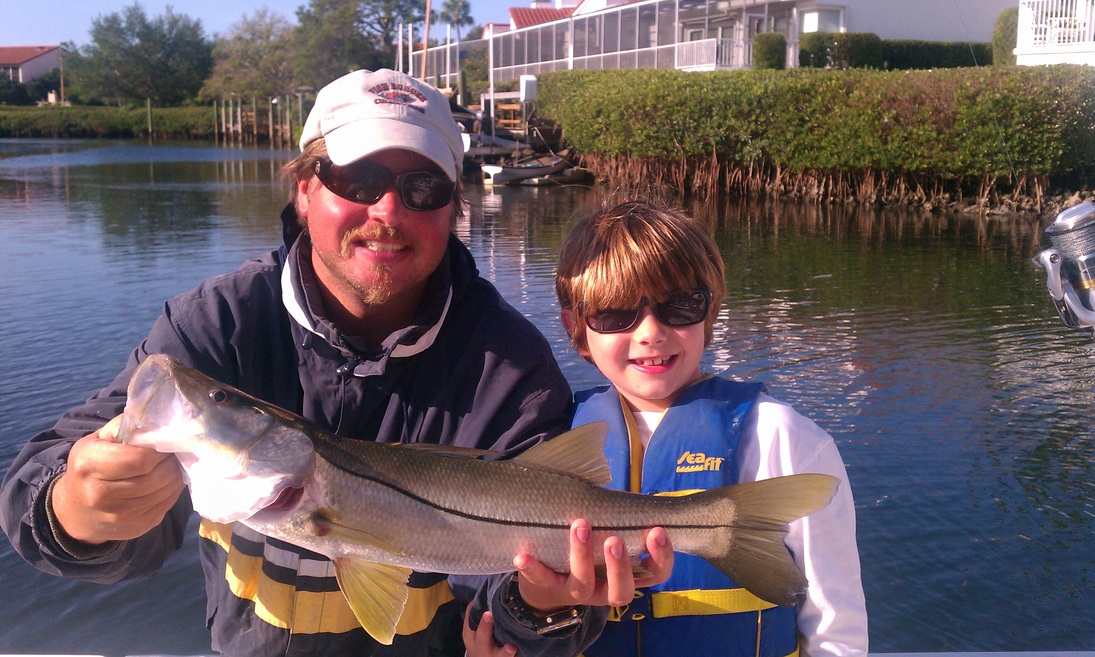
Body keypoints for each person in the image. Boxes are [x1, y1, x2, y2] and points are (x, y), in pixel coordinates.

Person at [0, 69, 672, 657]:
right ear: (303, 189)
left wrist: (544, 607)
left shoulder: (510, 366)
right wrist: (76, 509)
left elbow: (512, 618)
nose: (387, 210)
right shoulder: (220, 326)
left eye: (422, 188)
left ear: (454, 208)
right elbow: (45, 480)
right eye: (358, 178)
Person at [555, 200, 868, 657]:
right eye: (614, 313)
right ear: (575, 328)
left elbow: (834, 620)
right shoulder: (551, 435)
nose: (650, 332)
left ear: (711, 311)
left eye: (679, 305)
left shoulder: (782, 437)